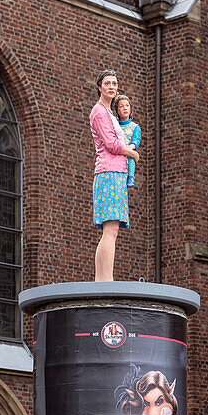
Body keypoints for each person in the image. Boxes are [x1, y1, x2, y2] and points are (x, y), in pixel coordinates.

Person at [89, 70, 139, 281]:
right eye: (107, 83)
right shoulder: (100, 112)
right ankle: (105, 280)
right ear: (99, 87)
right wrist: (132, 153)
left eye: (114, 83)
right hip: (109, 173)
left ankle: (102, 279)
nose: (111, 86)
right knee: (111, 230)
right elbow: (110, 144)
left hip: (115, 172)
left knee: (111, 230)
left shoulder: (110, 113)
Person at [112, 94, 141, 189]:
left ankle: (130, 177)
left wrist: (129, 148)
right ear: (117, 110)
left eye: (127, 105)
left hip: (128, 149)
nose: (125, 108)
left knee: (131, 156)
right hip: (117, 151)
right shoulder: (115, 126)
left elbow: (135, 141)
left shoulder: (135, 127)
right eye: (121, 106)